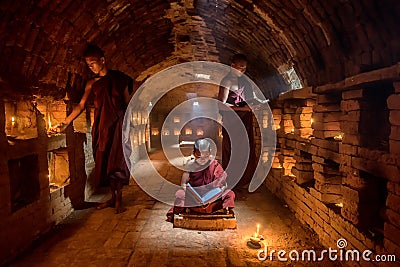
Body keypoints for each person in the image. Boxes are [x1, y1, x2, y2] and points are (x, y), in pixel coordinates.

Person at [51, 44, 134, 214]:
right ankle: (112, 196)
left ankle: (119, 199)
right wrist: (65, 122)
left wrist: (129, 127)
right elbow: (81, 105)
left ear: (102, 60)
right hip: (102, 127)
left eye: (93, 63)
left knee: (117, 161)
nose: (91, 67)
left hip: (118, 125)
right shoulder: (92, 83)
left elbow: (128, 104)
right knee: (104, 160)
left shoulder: (120, 79)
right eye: (88, 65)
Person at [166, 138, 235, 222]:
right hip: (194, 201)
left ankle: (223, 211)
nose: (203, 159)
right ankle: (183, 212)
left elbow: (224, 185)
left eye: (205, 156)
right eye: (199, 156)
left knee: (229, 193)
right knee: (180, 194)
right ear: (194, 153)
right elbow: (183, 184)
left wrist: (215, 196)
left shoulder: (214, 165)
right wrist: (193, 196)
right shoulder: (190, 165)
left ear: (210, 153)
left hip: (212, 202)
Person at [218, 53, 257, 187]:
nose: (242, 71)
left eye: (244, 68)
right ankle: (231, 180)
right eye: (240, 67)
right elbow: (221, 104)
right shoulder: (227, 81)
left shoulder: (244, 82)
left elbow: (246, 100)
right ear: (232, 66)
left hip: (244, 120)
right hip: (232, 121)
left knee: (244, 149)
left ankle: (244, 180)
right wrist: (243, 109)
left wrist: (252, 105)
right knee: (232, 149)